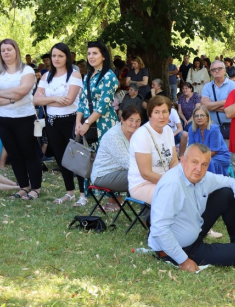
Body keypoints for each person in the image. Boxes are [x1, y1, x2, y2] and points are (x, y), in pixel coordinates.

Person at [148, 143, 235, 271]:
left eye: (204, 164)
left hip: (194, 228)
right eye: (194, 162)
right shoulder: (172, 185)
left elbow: (232, 182)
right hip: (177, 248)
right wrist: (183, 260)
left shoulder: (203, 177)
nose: (199, 169)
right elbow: (159, 229)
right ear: (183, 161)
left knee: (226, 194)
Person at [33, 42, 85, 204]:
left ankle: (83, 195)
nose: (56, 59)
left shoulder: (74, 75)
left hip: (71, 120)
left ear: (67, 57)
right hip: (52, 122)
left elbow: (69, 101)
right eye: (54, 55)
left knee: (77, 158)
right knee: (61, 158)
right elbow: (35, 99)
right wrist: (55, 98)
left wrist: (46, 101)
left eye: (60, 56)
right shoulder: (46, 76)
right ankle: (69, 192)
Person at [0, 39, 42, 200]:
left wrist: (13, 95)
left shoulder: (26, 70)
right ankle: (23, 187)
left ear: (16, 50)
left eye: (9, 49)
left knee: (29, 153)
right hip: (4, 119)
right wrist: (13, 97)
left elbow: (22, 91)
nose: (6, 53)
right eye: (3, 50)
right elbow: (17, 94)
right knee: (14, 154)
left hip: (24, 118)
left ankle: (35, 188)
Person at [128, 96, 179, 204]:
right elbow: (146, 173)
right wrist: (171, 182)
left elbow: (174, 161)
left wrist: (177, 178)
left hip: (166, 180)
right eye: (157, 112)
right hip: (142, 184)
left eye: (165, 111)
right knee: (176, 196)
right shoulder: (142, 135)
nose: (161, 116)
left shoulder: (168, 130)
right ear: (149, 114)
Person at [90, 106, 142, 211]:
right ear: (122, 120)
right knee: (143, 176)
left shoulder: (135, 134)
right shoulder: (114, 136)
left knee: (146, 174)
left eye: (138, 121)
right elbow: (127, 163)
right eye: (130, 120)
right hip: (102, 175)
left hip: (119, 172)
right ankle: (148, 208)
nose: (134, 124)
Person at [201, 60, 235, 181]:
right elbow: (205, 106)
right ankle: (217, 183)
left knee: (232, 159)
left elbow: (233, 107)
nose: (216, 71)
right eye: (213, 69)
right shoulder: (207, 86)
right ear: (211, 72)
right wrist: (224, 102)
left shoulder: (232, 85)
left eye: (219, 69)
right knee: (213, 157)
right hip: (212, 128)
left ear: (225, 70)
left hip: (230, 127)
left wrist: (212, 105)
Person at [188, 106, 230, 175]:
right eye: (196, 116)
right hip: (201, 156)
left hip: (219, 156)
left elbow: (213, 151)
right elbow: (191, 148)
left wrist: (198, 159)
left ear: (207, 117)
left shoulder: (214, 129)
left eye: (202, 115)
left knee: (207, 163)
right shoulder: (192, 129)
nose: (199, 118)